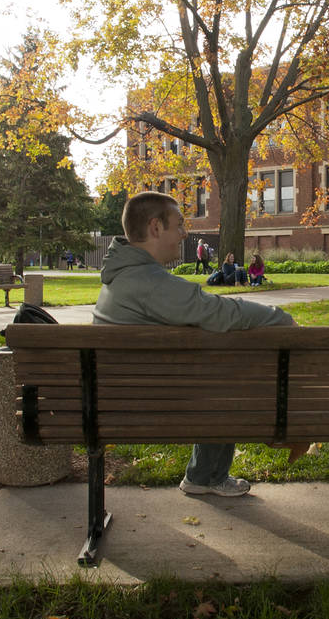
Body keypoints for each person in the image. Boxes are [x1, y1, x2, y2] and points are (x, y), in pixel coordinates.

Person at [95, 191, 293, 498]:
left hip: (121, 393)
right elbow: (219, 311)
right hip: (142, 404)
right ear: (156, 227)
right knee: (232, 386)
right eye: (179, 225)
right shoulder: (147, 282)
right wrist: (280, 318)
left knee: (224, 379)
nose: (184, 233)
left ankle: (204, 476)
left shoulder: (121, 274)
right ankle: (218, 470)